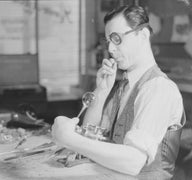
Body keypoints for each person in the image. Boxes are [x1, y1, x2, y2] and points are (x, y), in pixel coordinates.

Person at [51, 5, 186, 179]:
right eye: (108, 41)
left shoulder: (158, 89)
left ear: (143, 35)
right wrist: (102, 91)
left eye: (116, 39)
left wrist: (70, 139)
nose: (111, 49)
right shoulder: (123, 86)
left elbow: (134, 161)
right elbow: (92, 136)